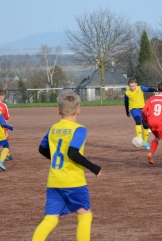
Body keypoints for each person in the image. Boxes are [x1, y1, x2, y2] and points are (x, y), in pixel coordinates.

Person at [32, 91, 102, 241]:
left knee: (50, 219)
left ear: (58, 111)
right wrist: (93, 167)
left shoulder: (53, 128)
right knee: (84, 217)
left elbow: (42, 149)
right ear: (78, 111)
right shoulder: (79, 129)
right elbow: (72, 153)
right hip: (73, 181)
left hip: (54, 181)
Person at [142, 81, 162, 168]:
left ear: (157, 89)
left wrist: (146, 120)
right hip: (161, 123)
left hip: (151, 122)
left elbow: (144, 111)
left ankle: (150, 153)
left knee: (157, 137)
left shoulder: (151, 99)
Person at [124, 77, 157, 150]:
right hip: (134, 109)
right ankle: (139, 138)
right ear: (128, 86)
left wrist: (155, 90)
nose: (132, 88)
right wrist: (127, 112)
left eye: (133, 86)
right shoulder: (127, 93)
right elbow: (126, 103)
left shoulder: (140, 88)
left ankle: (145, 142)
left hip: (143, 109)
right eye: (130, 86)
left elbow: (149, 89)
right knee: (138, 121)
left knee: (146, 125)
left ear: (136, 84)